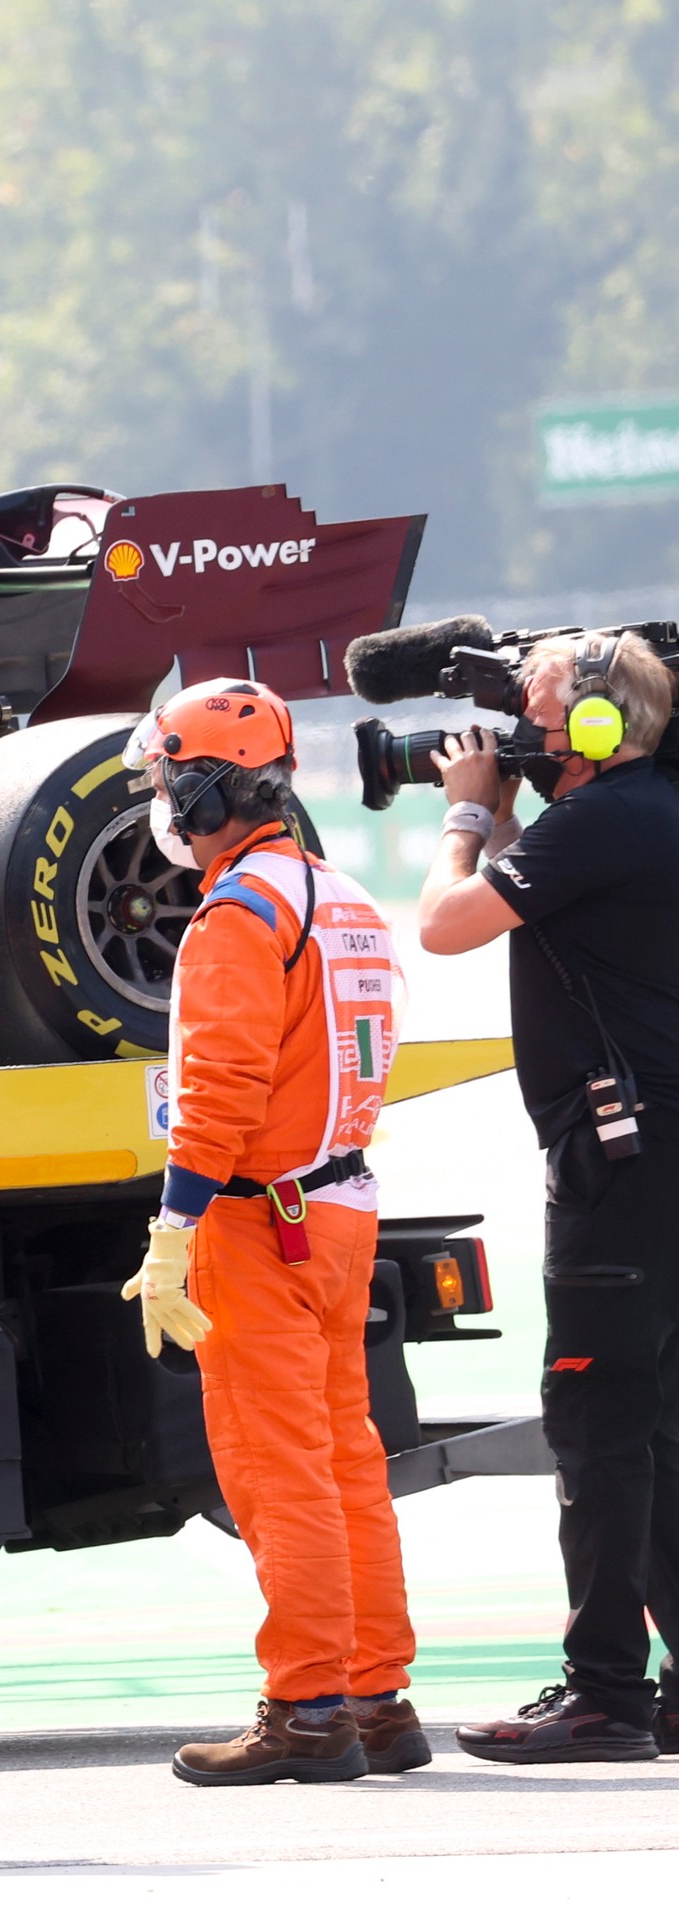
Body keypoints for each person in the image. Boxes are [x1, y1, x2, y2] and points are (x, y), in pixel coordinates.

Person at [113, 680, 420, 1784]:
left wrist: (171, 1232)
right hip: (340, 1206)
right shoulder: (340, 900)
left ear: (201, 790)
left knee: (277, 1469)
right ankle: (378, 1698)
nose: (159, 799)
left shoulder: (241, 914)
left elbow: (219, 1088)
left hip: (261, 1221)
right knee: (345, 1461)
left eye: (163, 780)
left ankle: (307, 1710)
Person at [417, 630, 679, 1764]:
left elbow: (444, 923)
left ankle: (606, 1694)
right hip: (654, 1158)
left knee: (595, 1421)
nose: (520, 729)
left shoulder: (605, 822)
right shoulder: (641, 815)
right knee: (656, 1423)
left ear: (598, 726)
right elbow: (560, 906)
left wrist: (465, 814)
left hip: (615, 1167)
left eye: (535, 707)